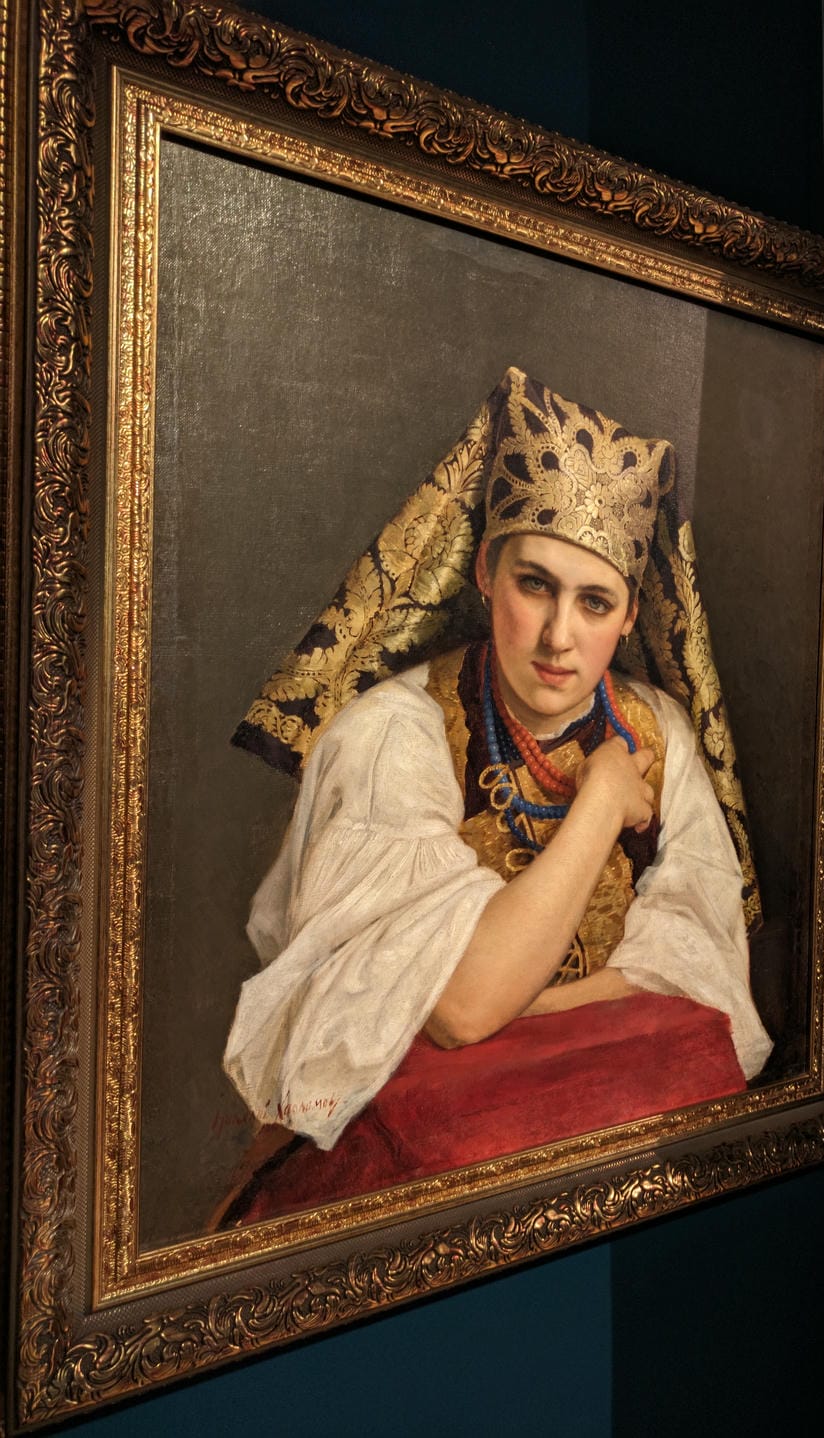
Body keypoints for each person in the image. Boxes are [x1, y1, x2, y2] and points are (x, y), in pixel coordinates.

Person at [218, 367, 772, 1218]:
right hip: (407, 1158)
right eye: (534, 584)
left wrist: (536, 997)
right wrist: (599, 801)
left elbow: (697, 973)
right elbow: (467, 1009)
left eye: (595, 603)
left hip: (594, 1121)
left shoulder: (661, 731)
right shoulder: (390, 735)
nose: (559, 638)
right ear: (484, 571)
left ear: (631, 617)